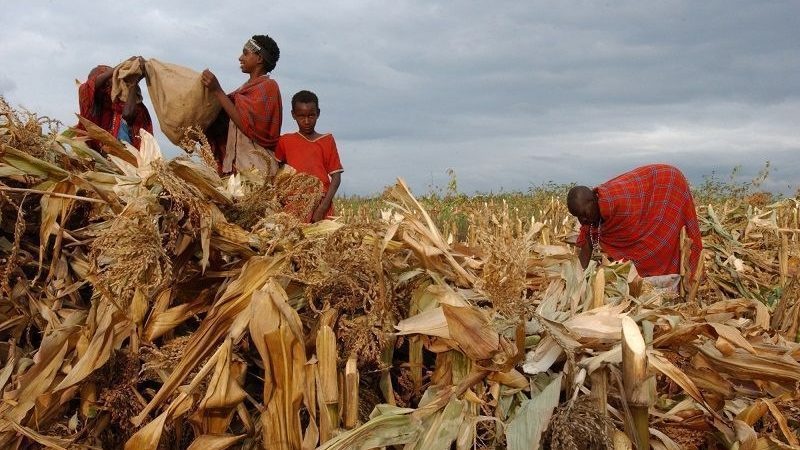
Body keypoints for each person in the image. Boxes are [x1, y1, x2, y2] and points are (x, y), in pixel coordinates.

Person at [567, 164, 703, 279]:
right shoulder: (591, 217)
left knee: (661, 240)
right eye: (578, 216)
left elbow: (634, 241)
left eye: (584, 214)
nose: (582, 220)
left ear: (593, 200)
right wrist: (576, 280)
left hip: (668, 184)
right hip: (657, 181)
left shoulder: (619, 205)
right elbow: (587, 244)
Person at [202, 35, 282, 175]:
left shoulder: (268, 87)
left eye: (245, 53)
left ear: (259, 59)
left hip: (257, 170)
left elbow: (246, 125)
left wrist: (217, 90)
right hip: (235, 169)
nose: (240, 58)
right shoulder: (242, 90)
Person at [275, 90, 343, 222]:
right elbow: (276, 172)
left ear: (318, 113)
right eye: (301, 116)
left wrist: (322, 209)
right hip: (294, 206)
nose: (306, 121)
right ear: (293, 115)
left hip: (321, 204)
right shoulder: (284, 141)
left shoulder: (327, 140)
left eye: (311, 116)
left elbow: (336, 178)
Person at [77, 57, 153, 150]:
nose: (110, 84)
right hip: (87, 150)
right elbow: (94, 83)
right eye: (108, 80)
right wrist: (121, 66)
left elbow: (128, 114)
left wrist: (134, 81)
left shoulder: (114, 104)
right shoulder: (85, 94)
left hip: (111, 152)